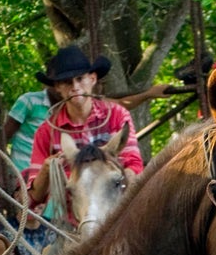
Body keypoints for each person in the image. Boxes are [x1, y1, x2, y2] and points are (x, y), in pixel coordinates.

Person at [24, 45, 146, 204]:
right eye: (67, 82)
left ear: (92, 79)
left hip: (117, 209)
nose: (75, 87)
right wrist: (47, 169)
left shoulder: (117, 115)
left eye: (80, 79)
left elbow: (134, 165)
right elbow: (33, 198)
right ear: (58, 87)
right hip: (69, 218)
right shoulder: (46, 131)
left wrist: (116, 182)